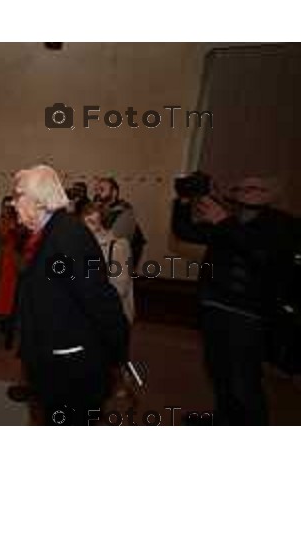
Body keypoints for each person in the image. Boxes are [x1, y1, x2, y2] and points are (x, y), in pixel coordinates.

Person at [172, 175, 296, 425]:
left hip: (249, 315)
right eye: (242, 187)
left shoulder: (283, 224)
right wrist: (184, 201)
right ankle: (224, 421)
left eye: (255, 187)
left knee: (244, 381)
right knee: (219, 373)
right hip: (214, 307)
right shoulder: (229, 220)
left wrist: (224, 222)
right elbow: (186, 232)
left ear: (269, 195)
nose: (247, 191)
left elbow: (262, 254)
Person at [13, 165, 128, 425]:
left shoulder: (69, 236)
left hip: (71, 367)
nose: (13, 202)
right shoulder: (46, 233)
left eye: (18, 195)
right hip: (52, 360)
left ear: (39, 201)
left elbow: (101, 300)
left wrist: (117, 355)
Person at [82, 203, 135, 324]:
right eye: (85, 222)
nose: (86, 226)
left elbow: (120, 288)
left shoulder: (118, 246)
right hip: (93, 314)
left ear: (102, 224)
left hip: (112, 315)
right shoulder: (85, 245)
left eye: (91, 221)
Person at [0, 196, 23, 349]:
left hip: (14, 269)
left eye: (11, 206)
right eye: (5, 206)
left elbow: (23, 244)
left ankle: (8, 334)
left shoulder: (20, 223)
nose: (8, 209)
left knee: (11, 304)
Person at [94, 176, 146, 268]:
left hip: (125, 257)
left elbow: (112, 237)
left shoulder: (125, 211)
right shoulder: (101, 209)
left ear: (114, 193)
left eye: (102, 190)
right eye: (96, 190)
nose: (97, 193)